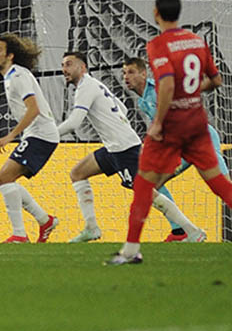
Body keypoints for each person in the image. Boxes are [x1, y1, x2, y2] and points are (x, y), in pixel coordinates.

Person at [107, 0, 232, 265]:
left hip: (174, 131)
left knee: (144, 184)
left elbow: (168, 86)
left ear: (157, 14)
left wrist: (158, 123)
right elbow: (216, 81)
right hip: (198, 125)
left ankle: (131, 250)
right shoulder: (197, 42)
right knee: (219, 183)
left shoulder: (158, 45)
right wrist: (191, 91)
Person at [121, 56, 232, 239]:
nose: (126, 77)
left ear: (143, 73)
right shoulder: (143, 101)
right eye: (123, 73)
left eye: (131, 72)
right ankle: (179, 230)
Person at [57, 52, 204, 243]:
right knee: (77, 173)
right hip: (114, 147)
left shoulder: (86, 87)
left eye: (69, 64)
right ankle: (91, 228)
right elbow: (122, 109)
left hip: (125, 149)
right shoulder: (94, 84)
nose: (64, 69)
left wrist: (48, 135)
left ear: (82, 67)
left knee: (148, 194)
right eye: (62, 65)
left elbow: (75, 122)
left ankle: (193, 231)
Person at [0, 34, 59, 243]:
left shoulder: (19, 76)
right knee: (6, 179)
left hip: (42, 135)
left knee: (4, 177)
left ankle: (20, 233)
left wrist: (11, 136)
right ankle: (44, 220)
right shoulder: (10, 76)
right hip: (36, 135)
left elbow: (33, 109)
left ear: (10, 55)